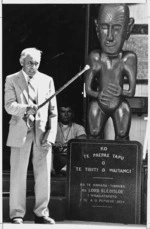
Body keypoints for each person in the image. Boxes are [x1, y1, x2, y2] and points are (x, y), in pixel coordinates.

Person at [4, 47, 58, 224]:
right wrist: (27, 108)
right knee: (18, 174)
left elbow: (53, 113)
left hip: (42, 135)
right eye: (29, 63)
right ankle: (17, 213)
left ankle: (41, 213)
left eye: (36, 63)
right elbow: (9, 106)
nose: (33, 67)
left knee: (43, 176)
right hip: (20, 133)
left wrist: (50, 137)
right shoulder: (11, 79)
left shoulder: (47, 80)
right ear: (21, 62)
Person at [85, 4, 137, 140]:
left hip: (119, 103)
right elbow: (88, 89)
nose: (109, 37)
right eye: (104, 27)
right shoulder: (95, 57)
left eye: (117, 28)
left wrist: (122, 92)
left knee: (122, 133)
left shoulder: (128, 58)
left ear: (128, 28)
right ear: (97, 28)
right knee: (94, 131)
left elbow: (131, 92)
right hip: (99, 103)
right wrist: (97, 94)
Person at [53, 103, 86, 176]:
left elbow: (83, 138)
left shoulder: (78, 127)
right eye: (63, 112)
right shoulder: (53, 126)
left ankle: (65, 169)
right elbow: (45, 140)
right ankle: (51, 170)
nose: (66, 114)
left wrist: (71, 143)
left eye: (69, 111)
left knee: (79, 146)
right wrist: (54, 144)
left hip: (71, 160)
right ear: (59, 114)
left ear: (73, 114)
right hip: (56, 158)